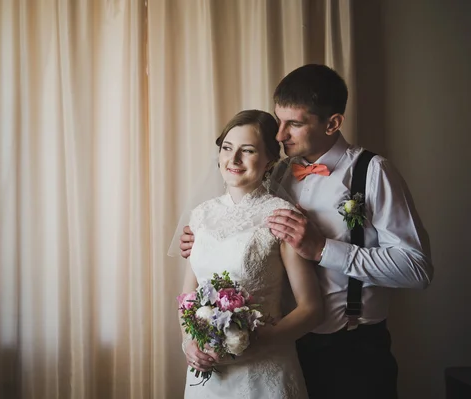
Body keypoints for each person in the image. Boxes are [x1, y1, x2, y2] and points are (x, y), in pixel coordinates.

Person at [180, 64, 434, 399]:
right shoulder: (278, 171)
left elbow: (417, 269)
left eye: (294, 124)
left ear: (333, 123)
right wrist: (205, 242)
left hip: (352, 352)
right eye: (278, 120)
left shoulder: (372, 173)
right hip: (283, 350)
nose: (280, 135)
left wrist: (323, 249)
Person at [178, 109, 323, 399]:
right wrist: (188, 343)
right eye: (227, 149)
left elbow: (311, 309)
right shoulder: (201, 215)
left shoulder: (281, 217)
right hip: (209, 377)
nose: (233, 160)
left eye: (248, 151)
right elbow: (188, 297)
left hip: (263, 371)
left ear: (270, 160)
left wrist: (256, 341)